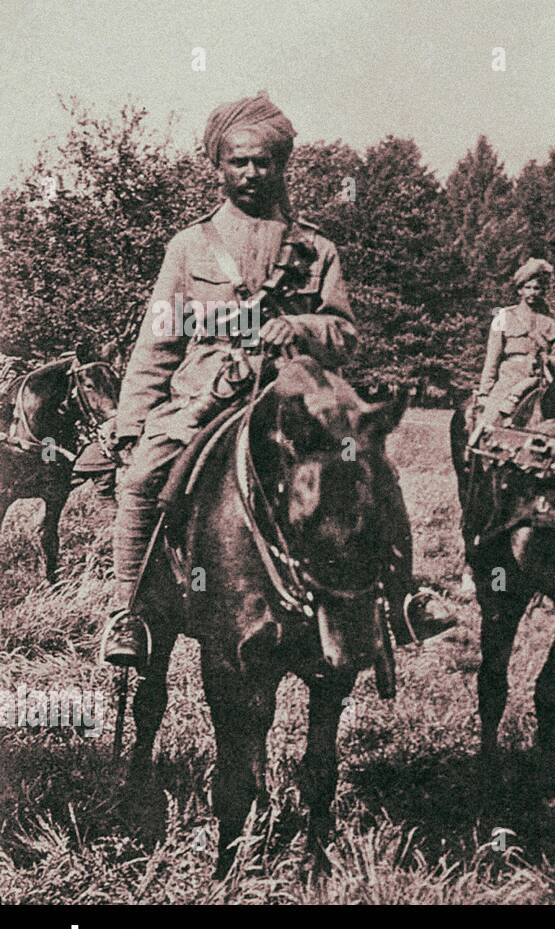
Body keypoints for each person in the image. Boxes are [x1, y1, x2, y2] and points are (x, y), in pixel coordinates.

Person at [100, 93, 450, 667]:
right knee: (143, 476)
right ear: (218, 167)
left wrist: (299, 326)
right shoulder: (189, 248)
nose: (251, 172)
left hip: (300, 396)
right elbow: (158, 343)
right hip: (210, 389)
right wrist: (132, 422)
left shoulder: (315, 248)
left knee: (373, 468)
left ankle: (403, 596)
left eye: (263, 161)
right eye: (238, 161)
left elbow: (345, 335)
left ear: (282, 165)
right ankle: (129, 612)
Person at [476, 257, 555, 425]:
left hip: (540, 383)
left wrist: (549, 360)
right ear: (520, 290)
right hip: (509, 380)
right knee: (489, 423)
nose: (532, 292)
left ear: (543, 291)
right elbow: (492, 358)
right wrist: (484, 392)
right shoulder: (504, 317)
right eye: (528, 287)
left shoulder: (551, 323)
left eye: (537, 288)